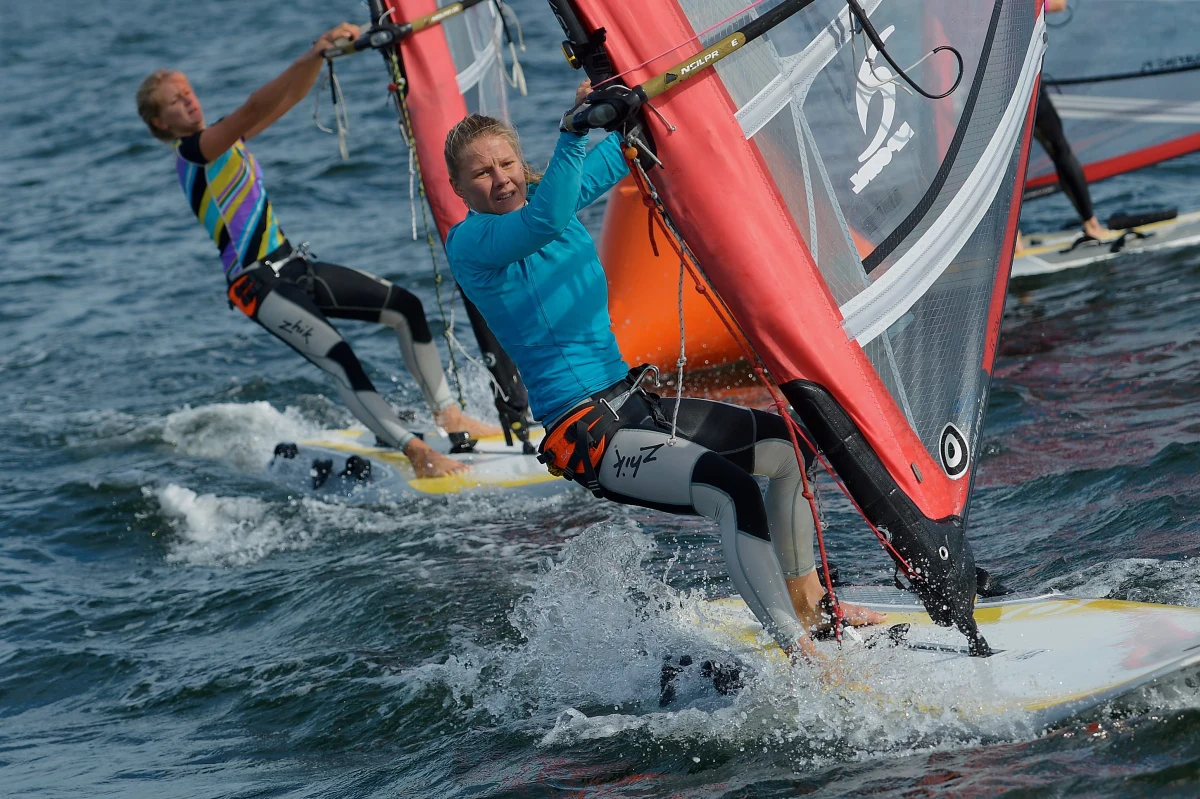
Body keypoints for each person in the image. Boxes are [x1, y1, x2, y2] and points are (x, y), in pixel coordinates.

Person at [441, 81, 885, 663]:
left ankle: (813, 609)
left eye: (506, 163)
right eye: (481, 173)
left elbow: (632, 147)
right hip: (590, 435)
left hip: (635, 403)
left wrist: (636, 96)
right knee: (731, 491)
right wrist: (575, 130)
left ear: (522, 164)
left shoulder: (555, 200)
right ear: (457, 188)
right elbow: (544, 221)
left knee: (787, 448)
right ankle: (800, 653)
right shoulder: (473, 242)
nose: (499, 178)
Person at [135, 22, 500, 478]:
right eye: (175, 100)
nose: (189, 100)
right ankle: (418, 453)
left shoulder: (225, 142)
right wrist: (312, 54)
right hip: (256, 284)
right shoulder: (194, 151)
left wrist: (322, 56)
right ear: (159, 122)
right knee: (340, 356)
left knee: (404, 306)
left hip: (292, 265)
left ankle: (448, 412)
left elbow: (283, 101)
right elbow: (252, 107)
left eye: (187, 91)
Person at [1018, 0, 1109, 253]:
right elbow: (1059, 3)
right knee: (1059, 149)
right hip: (1023, 82)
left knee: (1006, 165)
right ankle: (1091, 224)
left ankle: (1014, 239)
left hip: (1004, 84)